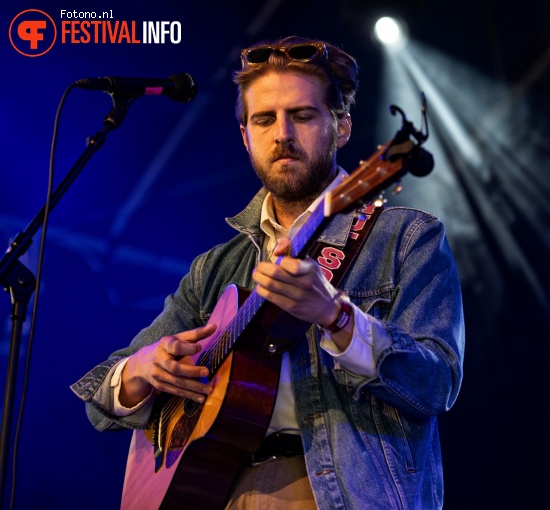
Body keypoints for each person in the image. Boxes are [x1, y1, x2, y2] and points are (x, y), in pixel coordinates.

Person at [71, 35, 464, 509]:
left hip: (339, 490)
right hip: (216, 487)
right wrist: (145, 367)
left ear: (340, 128)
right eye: (264, 119)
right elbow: (100, 394)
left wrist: (338, 319)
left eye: (301, 116)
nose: (282, 134)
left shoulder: (406, 238)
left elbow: (437, 384)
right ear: (245, 136)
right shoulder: (215, 268)